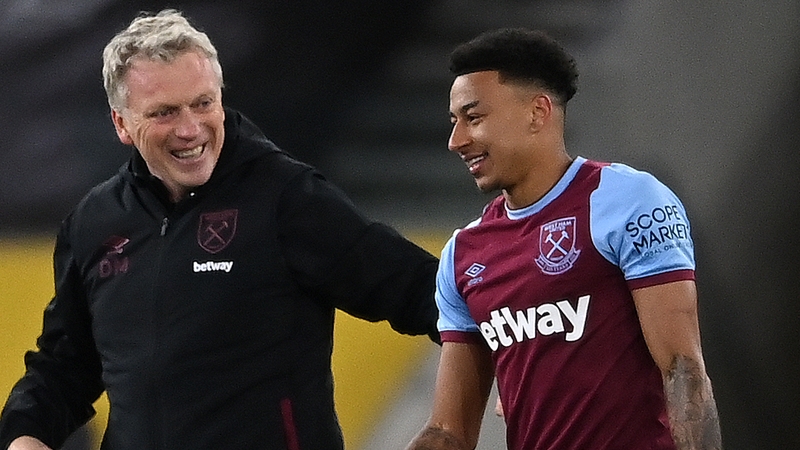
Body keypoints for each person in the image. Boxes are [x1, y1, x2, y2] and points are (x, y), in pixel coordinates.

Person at [0, 9, 440, 450]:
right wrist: (25, 435)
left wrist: (453, 423)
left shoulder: (286, 198)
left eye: (203, 103)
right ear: (121, 124)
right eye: (165, 113)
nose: (190, 129)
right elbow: (64, 365)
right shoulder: (94, 221)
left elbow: (427, 294)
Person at [407, 28, 722, 450]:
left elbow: (682, 369)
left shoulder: (627, 201)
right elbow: (449, 431)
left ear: (538, 112)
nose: (456, 140)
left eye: (473, 117)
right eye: (454, 122)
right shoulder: (463, 255)